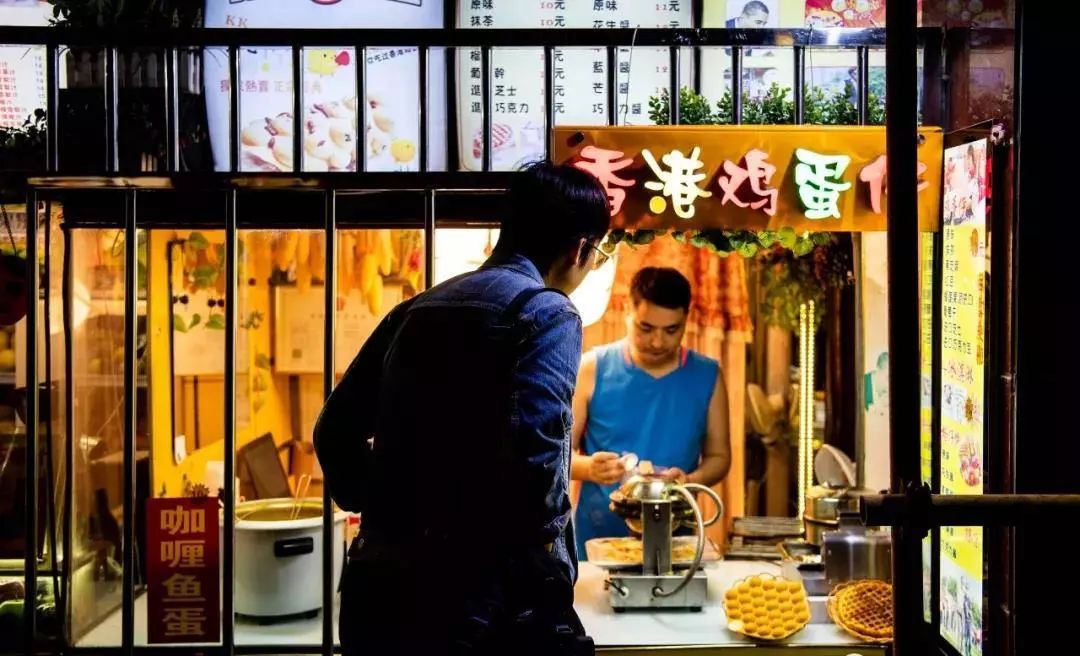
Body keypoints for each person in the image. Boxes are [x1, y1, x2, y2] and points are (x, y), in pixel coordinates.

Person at [314, 160, 609, 655]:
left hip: (381, 592)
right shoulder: (547, 311)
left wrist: (389, 503)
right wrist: (533, 553)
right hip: (482, 604)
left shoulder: (416, 308)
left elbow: (334, 431)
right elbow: (537, 452)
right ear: (581, 248)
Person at [571, 267, 731, 557]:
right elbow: (557, 456)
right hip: (596, 542)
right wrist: (589, 468)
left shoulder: (708, 375)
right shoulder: (592, 368)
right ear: (627, 311)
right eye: (645, 328)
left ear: (686, 320)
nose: (657, 342)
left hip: (675, 541)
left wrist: (688, 482)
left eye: (671, 330)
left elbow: (719, 458)